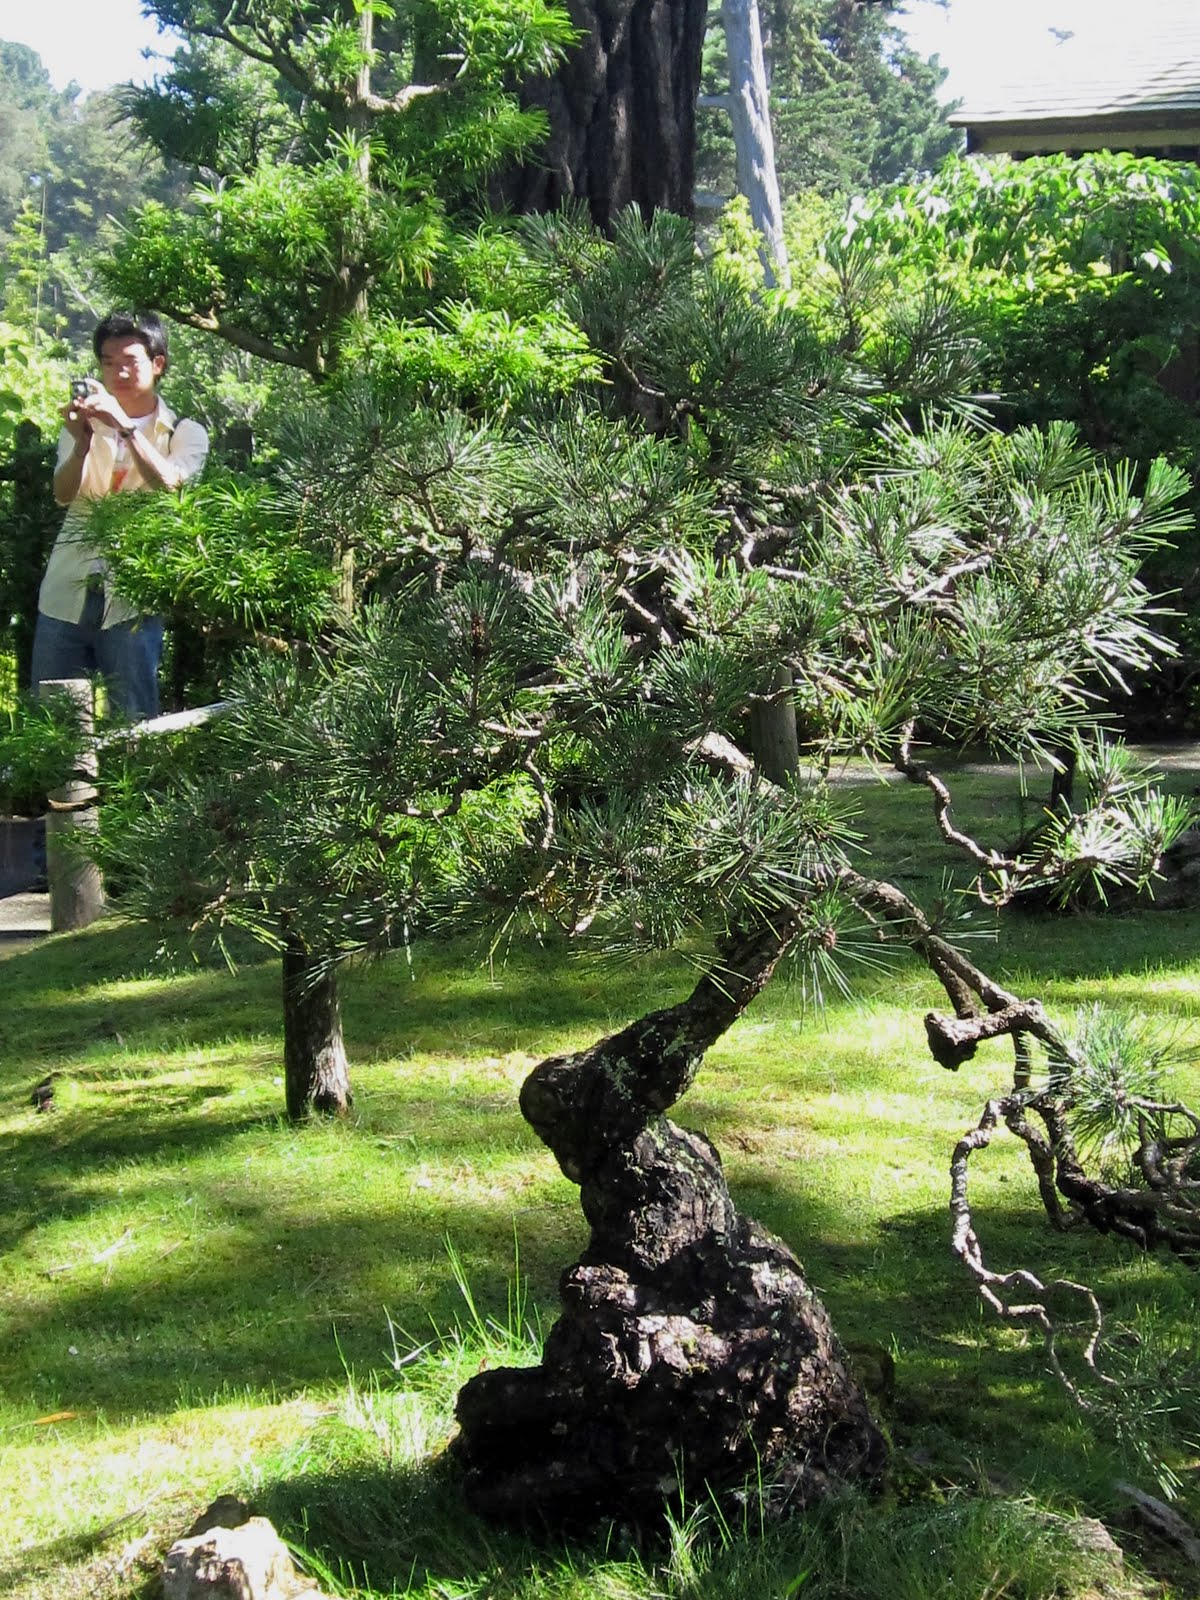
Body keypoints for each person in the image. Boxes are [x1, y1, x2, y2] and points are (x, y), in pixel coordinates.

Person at [30, 309, 209, 720]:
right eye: (108, 363)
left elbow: (171, 485)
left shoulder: (184, 431)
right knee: (55, 722)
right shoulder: (88, 425)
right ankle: (64, 789)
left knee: (132, 720)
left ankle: (132, 787)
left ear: (157, 364)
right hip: (67, 588)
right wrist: (80, 442)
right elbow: (62, 494)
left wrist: (125, 426)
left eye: (129, 361)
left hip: (134, 595)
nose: (118, 373)